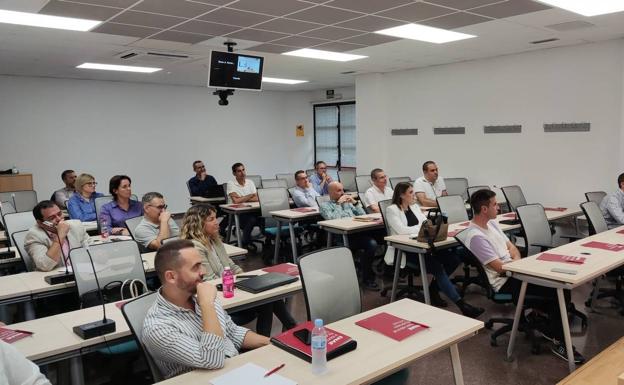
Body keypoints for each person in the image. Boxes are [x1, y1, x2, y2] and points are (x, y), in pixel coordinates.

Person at [465, 189, 584, 363]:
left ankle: (549, 326)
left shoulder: (492, 224)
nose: (498, 207)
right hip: (504, 282)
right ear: (484, 209)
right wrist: (518, 266)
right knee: (558, 290)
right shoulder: (475, 236)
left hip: (516, 272)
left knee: (557, 284)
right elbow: (499, 268)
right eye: (495, 204)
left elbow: (512, 247)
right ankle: (561, 342)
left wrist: (518, 263)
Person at [142, 239, 270, 379]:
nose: (203, 271)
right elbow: (213, 360)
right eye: (196, 267)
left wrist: (273, 344)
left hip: (234, 370)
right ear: (171, 276)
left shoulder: (200, 296)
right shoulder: (157, 328)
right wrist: (207, 305)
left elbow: (232, 332)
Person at [180, 204, 296, 335]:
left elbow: (231, 266)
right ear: (199, 223)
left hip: (228, 289)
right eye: (211, 219)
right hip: (216, 299)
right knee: (267, 301)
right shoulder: (194, 247)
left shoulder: (214, 239)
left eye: (216, 218)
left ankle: (283, 331)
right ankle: (288, 330)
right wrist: (239, 285)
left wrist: (245, 278)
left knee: (268, 296)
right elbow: (209, 280)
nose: (217, 222)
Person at [384, 182, 483, 318]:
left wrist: (424, 229)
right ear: (401, 195)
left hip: (423, 244)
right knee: (437, 267)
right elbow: (401, 230)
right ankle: (462, 305)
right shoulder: (392, 209)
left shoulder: (415, 207)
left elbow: (426, 224)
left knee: (453, 259)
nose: (414, 195)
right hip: (405, 250)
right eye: (411, 193)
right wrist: (422, 229)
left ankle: (434, 289)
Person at [319, 181, 380, 290]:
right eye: (339, 190)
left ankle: (376, 269)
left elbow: (363, 216)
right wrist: (338, 204)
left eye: (342, 190)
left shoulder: (348, 203)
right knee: (371, 244)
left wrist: (355, 203)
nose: (342, 193)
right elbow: (334, 220)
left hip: (356, 233)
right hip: (341, 237)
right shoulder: (324, 206)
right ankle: (367, 278)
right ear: (330, 192)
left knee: (380, 237)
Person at [24, 200, 89, 272]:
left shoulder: (76, 225)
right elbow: (45, 265)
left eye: (59, 214)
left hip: (82, 271)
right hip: (55, 276)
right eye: (52, 218)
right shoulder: (33, 236)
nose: (59, 219)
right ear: (40, 223)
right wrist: (60, 236)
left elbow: (91, 250)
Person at [226, 162, 261, 249]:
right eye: (239, 171)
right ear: (234, 173)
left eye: (243, 170)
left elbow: (257, 198)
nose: (243, 173)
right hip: (237, 213)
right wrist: (250, 195)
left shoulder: (250, 182)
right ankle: (245, 240)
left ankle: (269, 240)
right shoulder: (231, 183)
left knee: (264, 217)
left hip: (251, 210)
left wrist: (242, 198)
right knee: (252, 219)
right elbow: (236, 201)